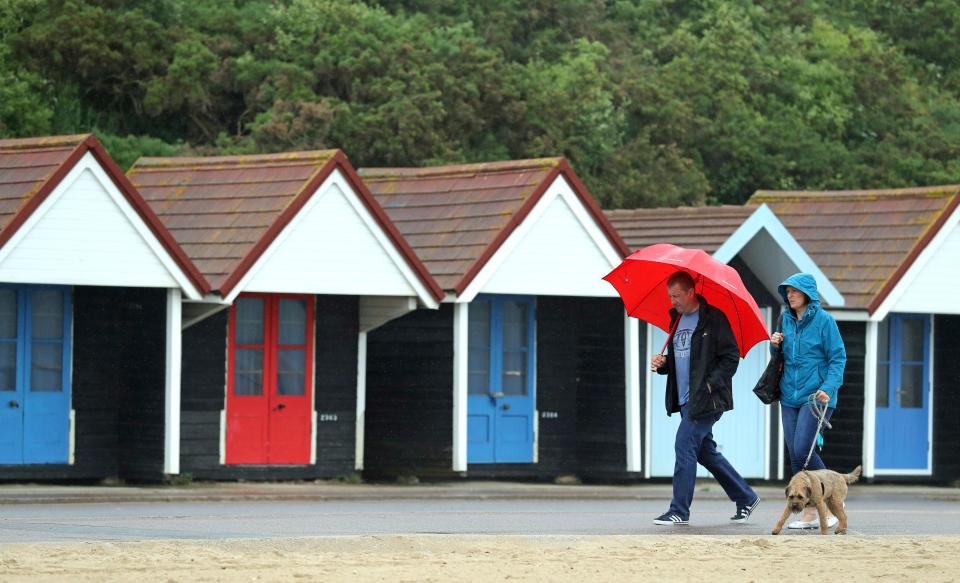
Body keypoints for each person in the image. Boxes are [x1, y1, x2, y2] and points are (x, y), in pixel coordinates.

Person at [651, 271, 760, 526]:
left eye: (676, 296)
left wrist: (710, 385)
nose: (672, 301)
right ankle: (746, 496)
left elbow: (731, 357)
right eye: (670, 296)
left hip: (707, 400)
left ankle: (679, 510)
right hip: (686, 399)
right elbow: (683, 360)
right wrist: (664, 363)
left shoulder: (714, 320)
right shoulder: (675, 320)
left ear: (690, 292)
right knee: (704, 452)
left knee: (683, 444)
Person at [770, 273, 846, 530]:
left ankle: (834, 499)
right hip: (789, 396)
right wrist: (775, 344)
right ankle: (811, 513)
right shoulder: (785, 320)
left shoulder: (825, 322)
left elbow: (838, 358)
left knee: (803, 450)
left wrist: (827, 387)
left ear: (808, 295)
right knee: (796, 454)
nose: (789, 295)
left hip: (817, 397)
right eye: (787, 291)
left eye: (794, 291)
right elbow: (780, 358)